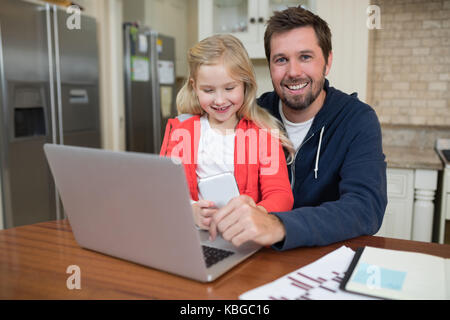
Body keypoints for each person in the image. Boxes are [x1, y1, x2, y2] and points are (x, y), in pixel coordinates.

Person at [208, 6, 387, 250]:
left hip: (326, 259)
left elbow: (365, 208)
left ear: (328, 61)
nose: (293, 72)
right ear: (270, 65)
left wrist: (278, 225)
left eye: (305, 57)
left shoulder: (357, 119)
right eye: (281, 60)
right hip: (255, 256)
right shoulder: (251, 115)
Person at [160, 34, 294, 230]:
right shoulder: (181, 133)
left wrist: (256, 213)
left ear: (245, 85)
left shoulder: (262, 135)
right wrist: (191, 211)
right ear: (194, 87)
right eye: (208, 90)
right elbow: (163, 190)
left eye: (230, 88)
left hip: (245, 236)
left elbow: (280, 195)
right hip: (195, 235)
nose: (220, 100)